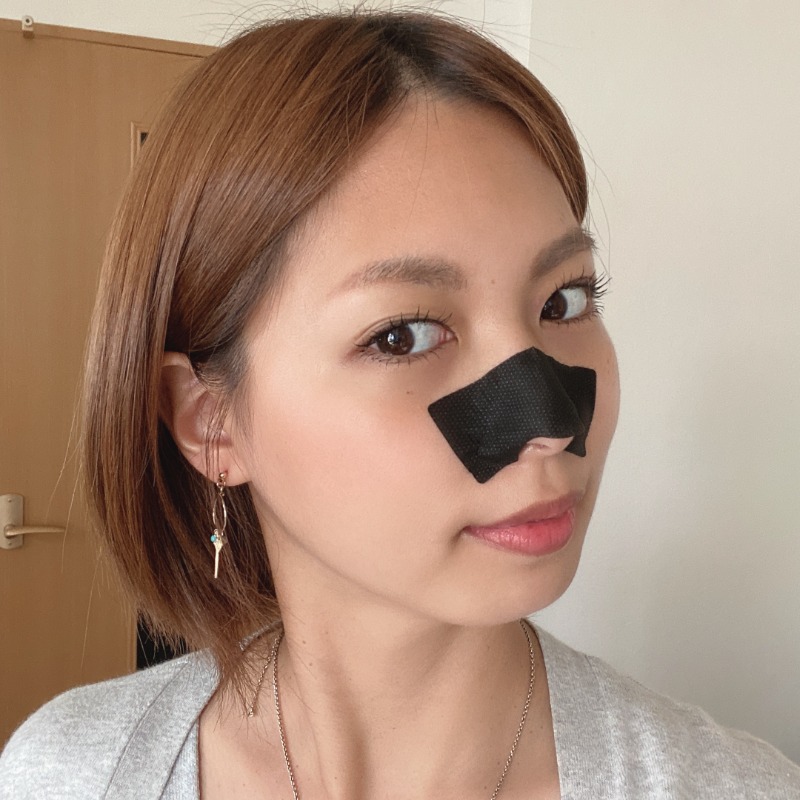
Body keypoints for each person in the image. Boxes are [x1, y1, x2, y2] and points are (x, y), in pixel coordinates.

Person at [1, 10, 798, 799]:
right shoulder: (66, 776)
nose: (550, 424)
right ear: (212, 422)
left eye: (564, 301)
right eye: (403, 336)